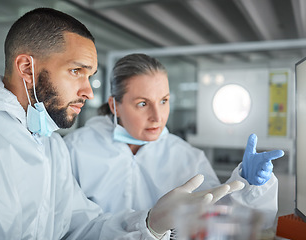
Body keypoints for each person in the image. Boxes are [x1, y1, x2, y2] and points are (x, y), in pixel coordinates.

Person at [0, 8, 245, 240]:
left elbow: (82, 227)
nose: (89, 91)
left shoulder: (48, 145)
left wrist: (151, 224)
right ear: (27, 67)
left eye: (90, 75)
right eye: (77, 71)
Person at [63, 53, 285, 231]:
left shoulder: (187, 157)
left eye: (164, 101)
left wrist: (250, 186)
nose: (157, 117)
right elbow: (68, 225)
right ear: (115, 106)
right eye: (142, 104)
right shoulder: (76, 149)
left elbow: (220, 220)